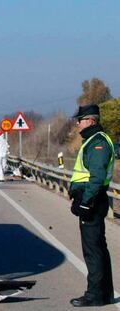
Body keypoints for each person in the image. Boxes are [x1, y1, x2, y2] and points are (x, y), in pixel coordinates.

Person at [69, 104, 115, 307]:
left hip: (92, 201)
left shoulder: (98, 143)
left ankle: (94, 295)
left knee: (93, 250)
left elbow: (96, 177)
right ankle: (105, 293)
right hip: (92, 199)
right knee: (99, 248)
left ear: (91, 121)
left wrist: (86, 201)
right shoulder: (92, 141)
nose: (77, 123)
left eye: (80, 120)